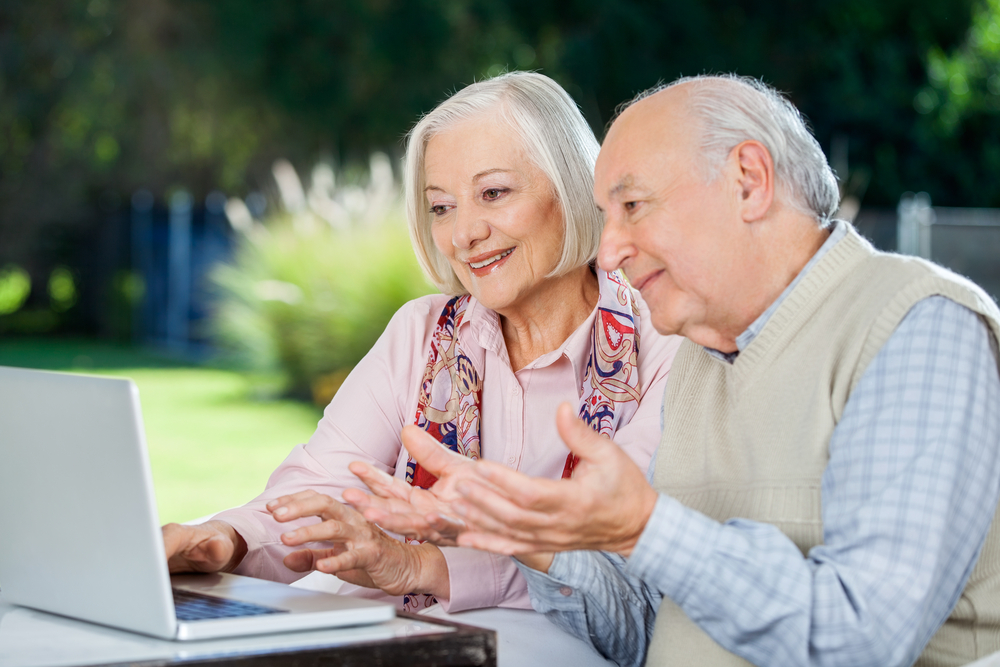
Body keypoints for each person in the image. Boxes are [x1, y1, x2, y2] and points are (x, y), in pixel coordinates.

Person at [345, 74, 1000, 665]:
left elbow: (861, 638)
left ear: (749, 181)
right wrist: (532, 536)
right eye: (606, 216)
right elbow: (641, 632)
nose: (608, 250)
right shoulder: (698, 362)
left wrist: (646, 527)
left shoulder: (917, 327)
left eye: (633, 206)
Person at [161, 71, 682, 614]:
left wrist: (424, 566)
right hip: (385, 633)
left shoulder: (663, 342)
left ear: (573, 186)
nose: (463, 234)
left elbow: (614, 557)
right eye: (441, 207)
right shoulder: (421, 331)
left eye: (493, 193)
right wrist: (227, 539)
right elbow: (326, 482)